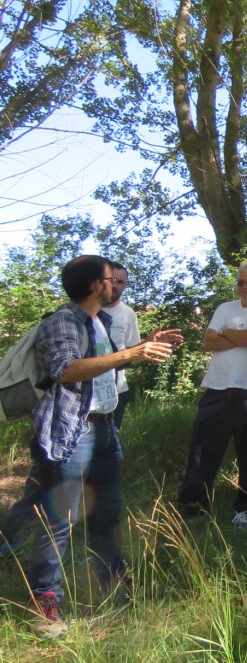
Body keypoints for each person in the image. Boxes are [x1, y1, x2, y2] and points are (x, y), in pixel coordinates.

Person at [25, 255, 179, 636]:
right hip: (72, 433)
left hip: (105, 432)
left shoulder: (102, 321)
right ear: (97, 284)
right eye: (113, 279)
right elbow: (66, 369)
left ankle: (114, 585)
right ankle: (44, 601)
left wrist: (144, 346)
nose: (118, 285)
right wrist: (130, 352)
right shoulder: (62, 321)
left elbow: (104, 365)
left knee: (108, 513)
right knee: (60, 520)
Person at [178, 261, 247, 527]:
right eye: (240, 282)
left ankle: (244, 510)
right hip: (217, 387)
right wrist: (241, 332)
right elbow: (207, 343)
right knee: (202, 450)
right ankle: (193, 508)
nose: (244, 288)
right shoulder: (225, 308)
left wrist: (226, 331)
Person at [104, 261, 142, 428]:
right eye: (112, 280)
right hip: (82, 392)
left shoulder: (128, 314)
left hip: (116, 391)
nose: (115, 286)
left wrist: (149, 343)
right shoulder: (82, 310)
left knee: (109, 446)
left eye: (121, 282)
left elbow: (131, 351)